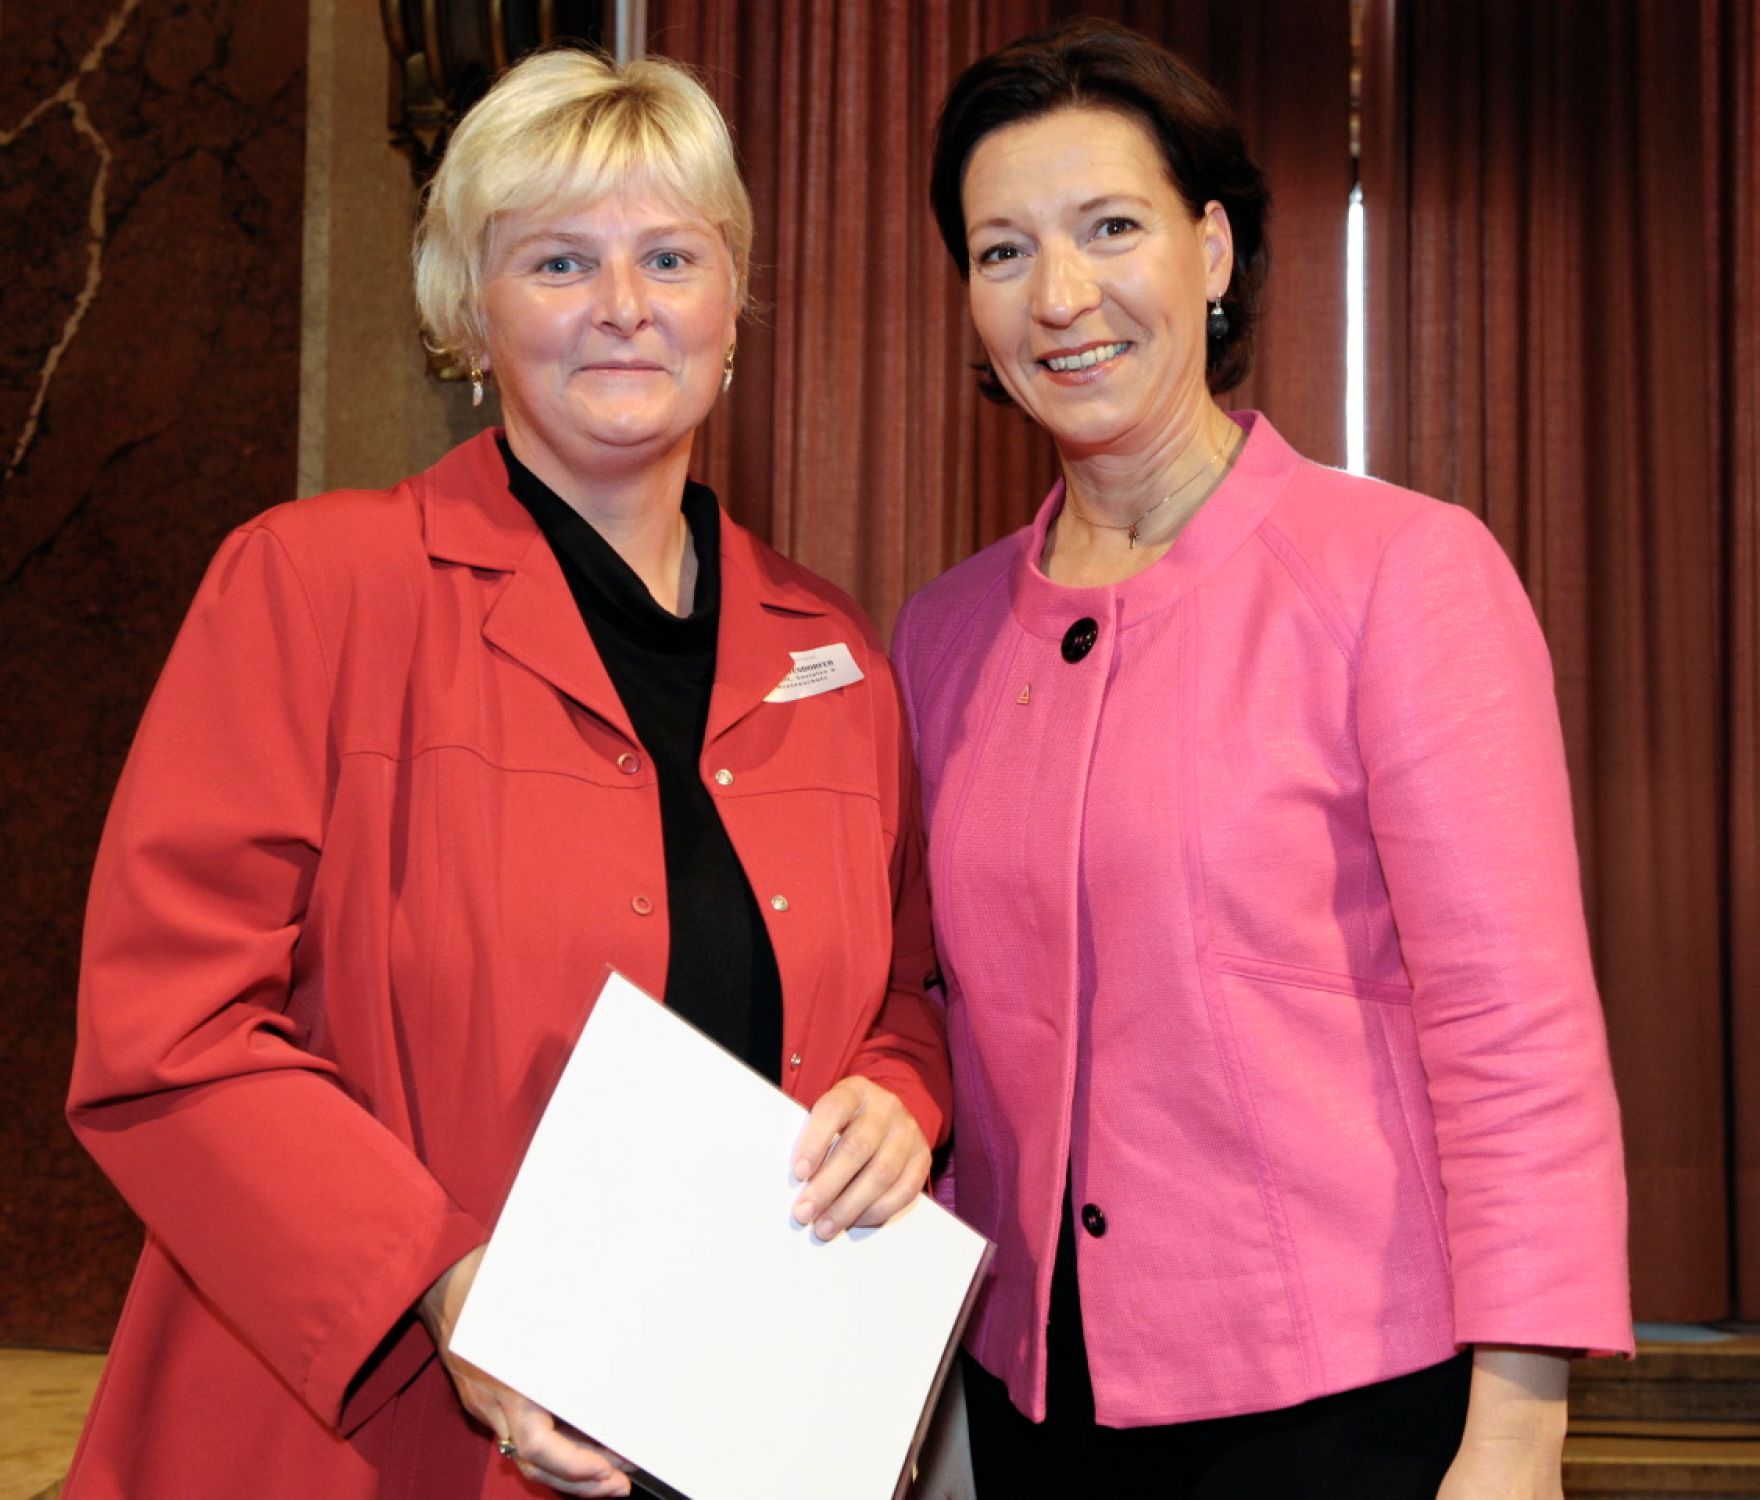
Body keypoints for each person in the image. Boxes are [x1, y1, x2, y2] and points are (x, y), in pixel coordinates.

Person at [65, 48, 948, 1500]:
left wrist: (899, 1096)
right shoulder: (315, 587)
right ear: (469, 313)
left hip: (738, 1427)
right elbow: (170, 1025)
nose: (624, 305)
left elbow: (905, 996)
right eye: (559, 261)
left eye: (672, 257)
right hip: (367, 1429)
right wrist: (436, 1281)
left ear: (731, 305)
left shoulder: (833, 647)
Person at [892, 18, 1631, 1499]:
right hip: (1039, 1406)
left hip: (1345, 1405)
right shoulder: (943, 632)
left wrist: (1518, 1431)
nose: (1061, 295)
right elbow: (940, 1022)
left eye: (1111, 228)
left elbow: (1515, 1031)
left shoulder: (1401, 572)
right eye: (1003, 251)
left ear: (1213, 249)